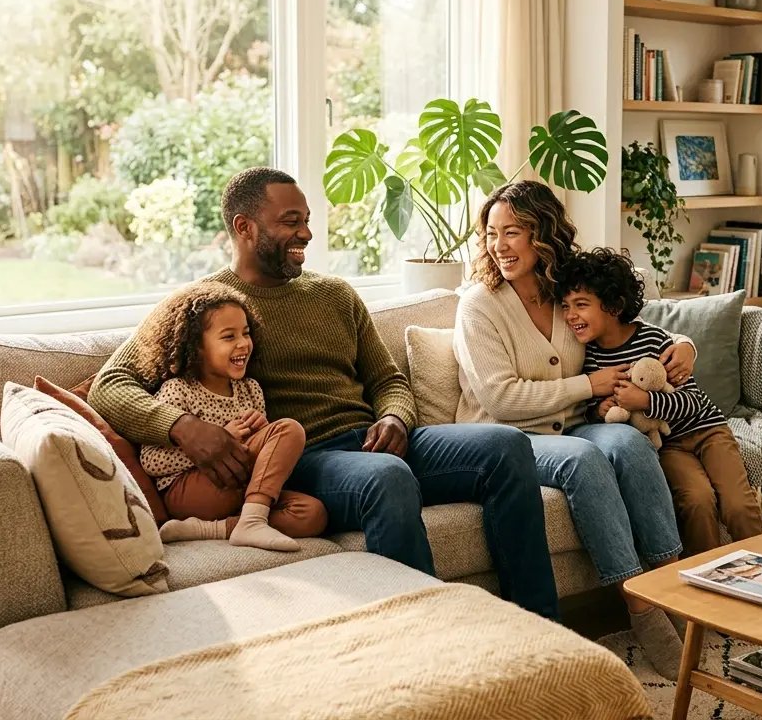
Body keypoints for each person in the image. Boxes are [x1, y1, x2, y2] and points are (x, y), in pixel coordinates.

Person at [91, 167, 560, 620]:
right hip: (303, 457)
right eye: (291, 221)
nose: (307, 234)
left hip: (375, 440)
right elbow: (110, 385)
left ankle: (537, 624)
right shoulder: (206, 305)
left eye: (308, 220)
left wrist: (396, 417)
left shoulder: (335, 294)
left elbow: (387, 380)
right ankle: (422, 638)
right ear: (244, 227)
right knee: (387, 478)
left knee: (506, 446)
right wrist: (183, 428)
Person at [450, 179, 692, 680]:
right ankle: (639, 606)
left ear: (542, 234)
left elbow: (634, 323)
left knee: (627, 441)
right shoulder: (479, 304)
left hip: (577, 427)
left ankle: (669, 585)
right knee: (583, 461)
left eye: (512, 232)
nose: (499, 245)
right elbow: (502, 399)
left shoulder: (567, 289)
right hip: (506, 439)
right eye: (491, 233)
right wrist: (588, 383)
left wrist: (685, 345)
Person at [557, 248, 762, 556]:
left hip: (708, 431)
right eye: (565, 306)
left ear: (613, 306)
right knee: (695, 501)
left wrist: (644, 400)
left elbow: (691, 402)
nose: (570, 315)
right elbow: (592, 409)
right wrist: (598, 411)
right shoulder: (587, 358)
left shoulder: (654, 341)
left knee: (738, 503)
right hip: (666, 446)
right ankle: (708, 583)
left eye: (581, 305)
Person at [133, 281, 326, 551]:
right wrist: (223, 439)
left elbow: (260, 461)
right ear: (196, 347)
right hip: (190, 490)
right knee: (289, 429)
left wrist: (262, 434)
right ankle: (252, 521)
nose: (243, 344)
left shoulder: (250, 390)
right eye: (228, 336)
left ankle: (217, 528)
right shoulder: (178, 390)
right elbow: (152, 462)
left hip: (239, 489)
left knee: (311, 514)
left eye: (245, 333)